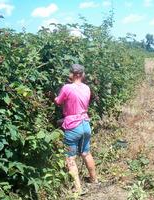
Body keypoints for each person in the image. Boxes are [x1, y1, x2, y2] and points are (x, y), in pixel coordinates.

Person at [54, 64, 98, 195]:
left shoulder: (67, 87)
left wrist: (54, 97)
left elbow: (58, 101)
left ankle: (78, 188)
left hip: (73, 126)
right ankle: (94, 179)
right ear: (82, 75)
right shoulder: (87, 88)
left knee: (70, 157)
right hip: (85, 124)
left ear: (71, 74)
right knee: (86, 153)